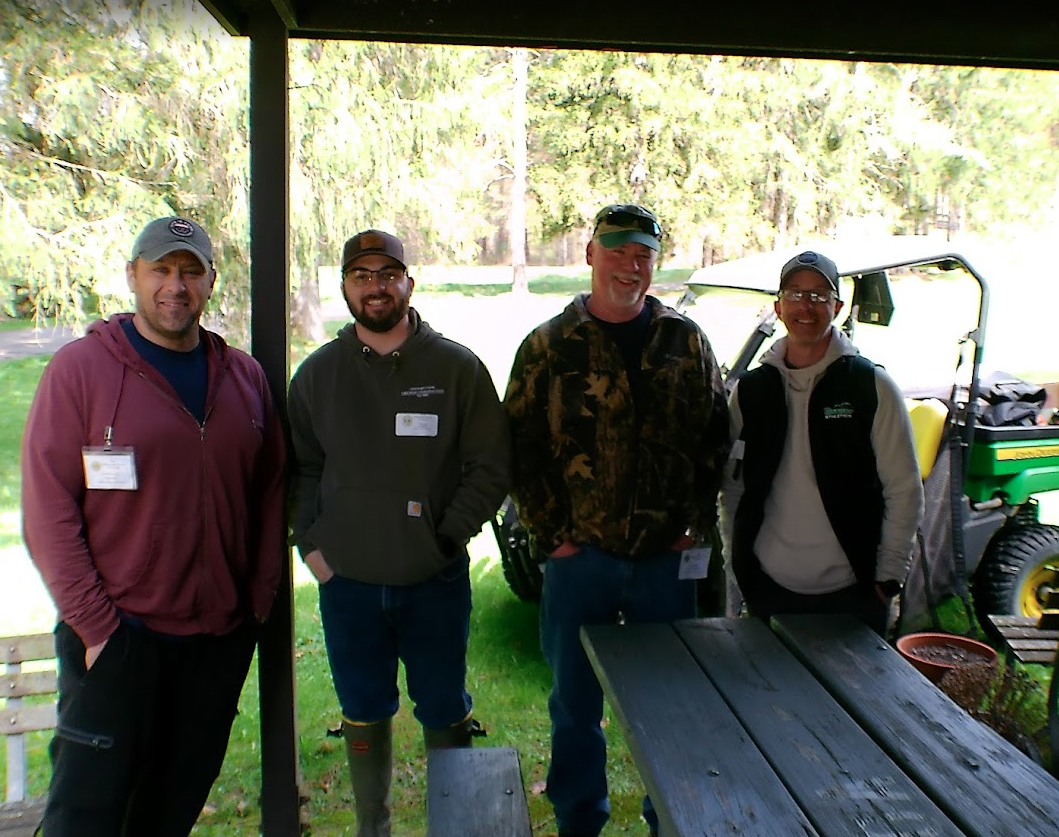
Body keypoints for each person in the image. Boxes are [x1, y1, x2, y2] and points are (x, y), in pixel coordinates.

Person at [20, 215, 287, 837]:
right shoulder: (81, 371)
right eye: (161, 269)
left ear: (211, 281)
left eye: (190, 271)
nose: (176, 285)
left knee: (171, 812)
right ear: (134, 277)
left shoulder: (243, 378)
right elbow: (47, 509)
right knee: (86, 818)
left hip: (215, 644)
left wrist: (254, 604)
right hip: (118, 638)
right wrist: (96, 628)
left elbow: (272, 491)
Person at [503, 204, 731, 837]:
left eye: (644, 255)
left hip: (665, 559)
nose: (631, 266)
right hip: (584, 562)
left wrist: (692, 523)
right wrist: (555, 537)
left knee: (672, 703)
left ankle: (671, 816)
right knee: (575, 705)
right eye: (619, 251)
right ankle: (579, 821)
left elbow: (716, 435)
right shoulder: (549, 346)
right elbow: (518, 447)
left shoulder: (685, 342)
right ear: (591, 254)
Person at [287, 229, 510, 837]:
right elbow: (300, 468)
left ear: (410, 283)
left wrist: (449, 534)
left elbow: (491, 466)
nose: (376, 286)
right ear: (345, 288)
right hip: (349, 587)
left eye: (388, 274)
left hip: (431, 581)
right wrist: (312, 547)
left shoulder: (456, 368)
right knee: (362, 710)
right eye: (361, 276)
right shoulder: (317, 376)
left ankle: (456, 824)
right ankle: (373, 827)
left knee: (442, 706)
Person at [720, 249, 924, 635]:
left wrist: (887, 580)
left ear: (838, 307)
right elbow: (733, 486)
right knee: (771, 695)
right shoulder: (751, 391)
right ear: (778, 308)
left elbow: (905, 490)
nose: (806, 307)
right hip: (768, 587)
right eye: (795, 294)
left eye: (819, 296)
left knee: (850, 698)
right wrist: (737, 565)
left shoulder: (871, 386)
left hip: (853, 594)